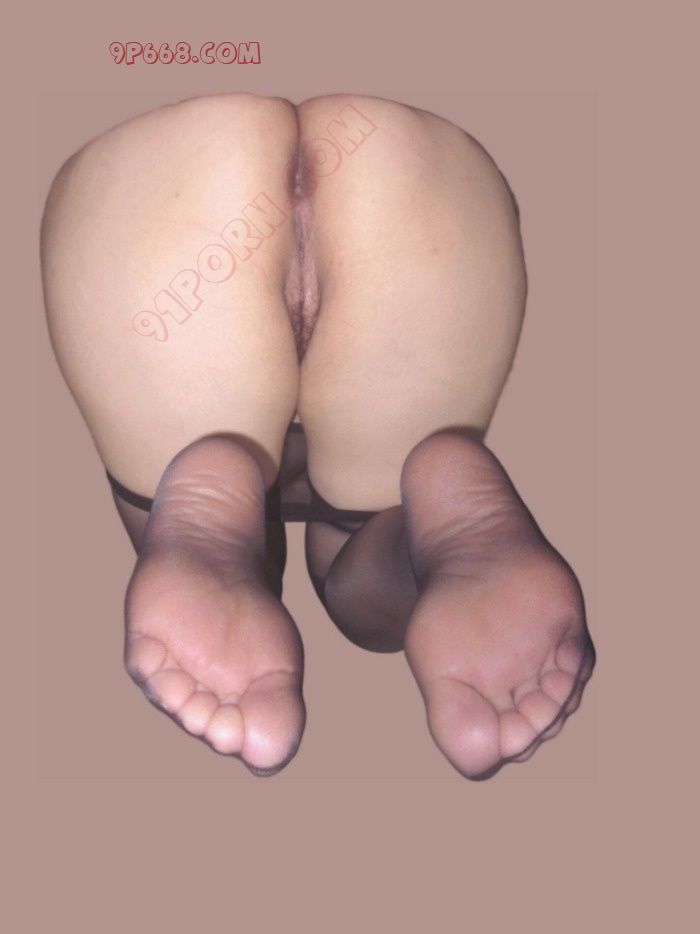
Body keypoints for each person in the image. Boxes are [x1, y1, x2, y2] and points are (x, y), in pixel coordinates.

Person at [40, 92, 595, 779]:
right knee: (355, 578)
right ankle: (421, 535)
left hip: (169, 200)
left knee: (268, 554)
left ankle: (229, 536)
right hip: (406, 182)